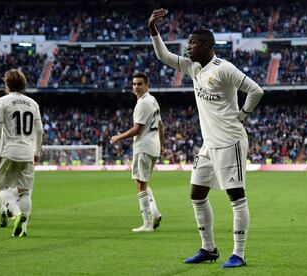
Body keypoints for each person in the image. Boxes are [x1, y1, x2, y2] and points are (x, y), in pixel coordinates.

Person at [149, 9, 264, 268]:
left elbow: (256, 90)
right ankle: (208, 248)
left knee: (236, 197)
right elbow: (163, 55)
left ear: (207, 45)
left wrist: (243, 114)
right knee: (197, 194)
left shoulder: (224, 69)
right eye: (188, 43)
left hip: (230, 142)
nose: (188, 47)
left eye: (193, 43)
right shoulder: (193, 67)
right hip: (209, 145)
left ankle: (239, 254)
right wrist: (152, 29)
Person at [0, 69, 43, 237]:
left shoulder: (2, 101)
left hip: (9, 151)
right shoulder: (33, 103)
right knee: (25, 191)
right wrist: (37, 151)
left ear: (7, 85)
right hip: (28, 152)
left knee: (0, 186)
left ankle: (16, 213)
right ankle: (24, 228)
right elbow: (40, 130)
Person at [110, 72, 164, 233]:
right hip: (153, 146)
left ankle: (147, 224)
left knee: (140, 184)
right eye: (134, 84)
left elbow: (137, 129)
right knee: (143, 182)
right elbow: (160, 125)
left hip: (144, 146)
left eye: (139, 84)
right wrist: (161, 145)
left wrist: (118, 137)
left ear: (146, 85)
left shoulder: (142, 103)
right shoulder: (152, 100)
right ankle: (155, 212)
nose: (136, 87)